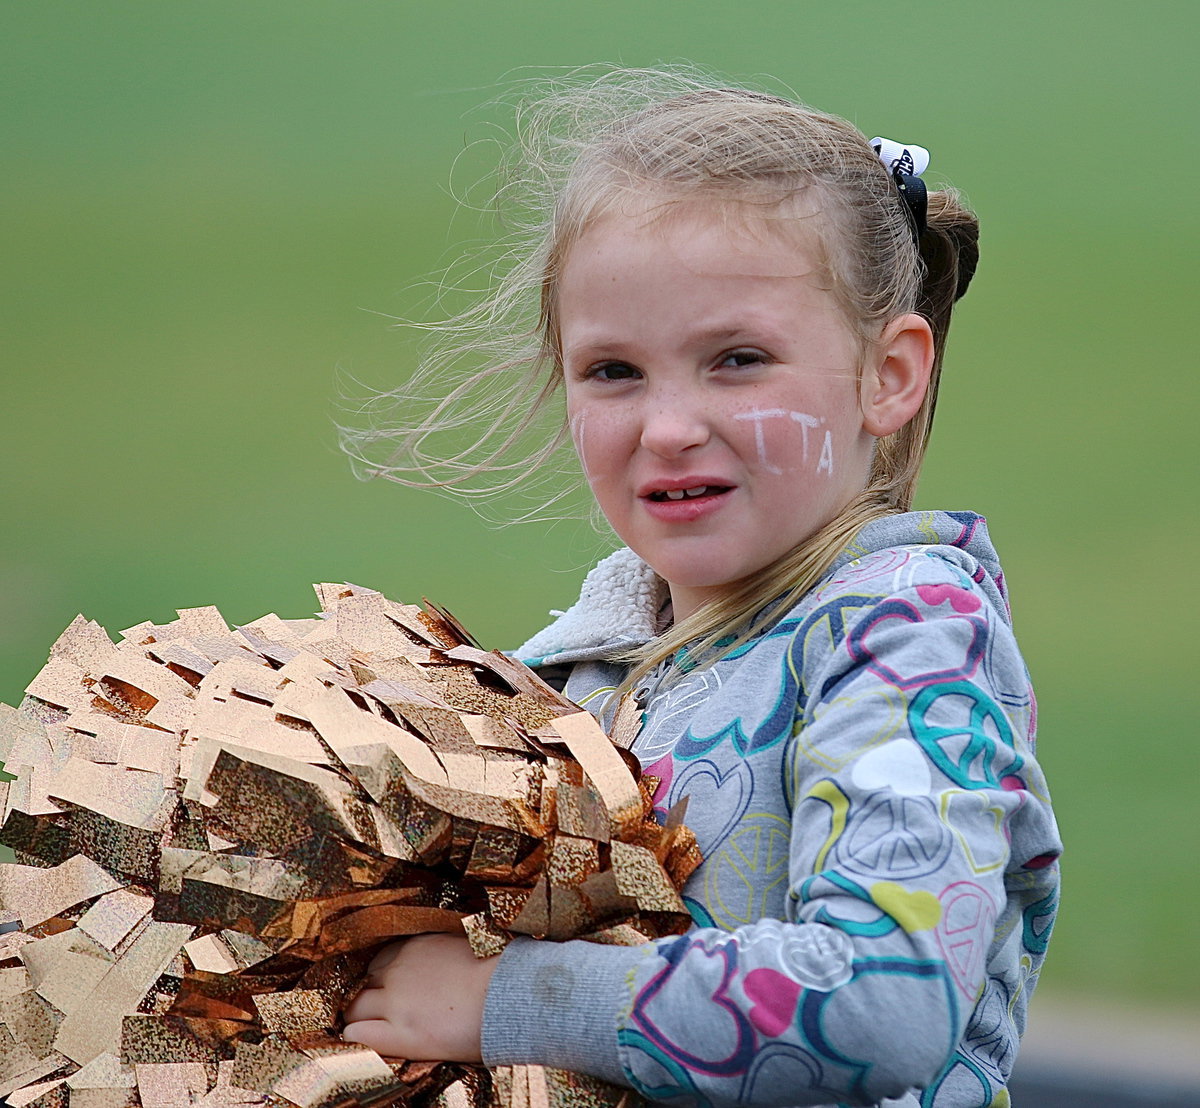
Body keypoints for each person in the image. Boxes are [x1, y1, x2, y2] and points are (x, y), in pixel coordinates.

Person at [340, 69, 1062, 1108]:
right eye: (614, 372)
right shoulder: (593, 653)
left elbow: (886, 997)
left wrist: (509, 997)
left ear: (889, 376)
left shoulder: (902, 627)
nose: (668, 425)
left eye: (736, 359)